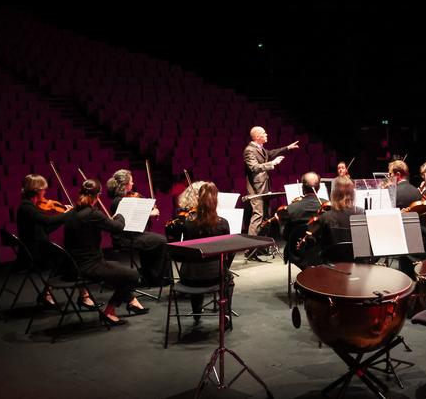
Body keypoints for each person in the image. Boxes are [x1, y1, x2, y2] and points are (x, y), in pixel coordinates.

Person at [63, 179, 148, 326]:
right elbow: (119, 228)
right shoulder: (92, 214)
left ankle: (132, 301)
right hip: (88, 267)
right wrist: (120, 215)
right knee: (133, 275)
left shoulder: (72, 212)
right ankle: (109, 312)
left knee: (116, 268)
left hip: (72, 265)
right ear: (98, 195)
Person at [15, 174, 73, 307]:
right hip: (33, 252)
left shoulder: (30, 206)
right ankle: (49, 292)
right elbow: (46, 221)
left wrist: (63, 218)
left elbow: (45, 229)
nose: (45, 192)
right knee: (68, 259)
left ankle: (47, 293)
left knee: (67, 258)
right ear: (36, 190)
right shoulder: (27, 207)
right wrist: (66, 215)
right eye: (43, 190)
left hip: (38, 247)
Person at [180, 182, 233, 322]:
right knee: (228, 277)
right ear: (215, 200)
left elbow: (186, 251)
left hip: (188, 277)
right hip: (214, 277)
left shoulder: (188, 223)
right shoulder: (222, 224)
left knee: (197, 267)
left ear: (198, 200)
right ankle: (225, 314)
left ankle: (197, 312)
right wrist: (224, 266)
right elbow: (228, 252)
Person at [106, 169, 168, 285]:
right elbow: (132, 216)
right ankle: (157, 278)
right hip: (125, 238)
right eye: (131, 182)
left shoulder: (123, 199)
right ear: (124, 185)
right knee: (162, 241)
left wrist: (147, 205)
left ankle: (150, 274)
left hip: (133, 235)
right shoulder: (120, 201)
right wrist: (150, 212)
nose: (133, 184)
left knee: (154, 239)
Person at [243, 126, 300, 237]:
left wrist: (287, 147)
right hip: (256, 189)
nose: (266, 135)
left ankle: (263, 244)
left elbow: (271, 153)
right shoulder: (249, 150)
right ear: (257, 136)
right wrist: (272, 163)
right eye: (264, 133)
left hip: (264, 186)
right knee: (258, 215)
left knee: (266, 216)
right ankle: (250, 246)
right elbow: (254, 167)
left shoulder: (260, 148)